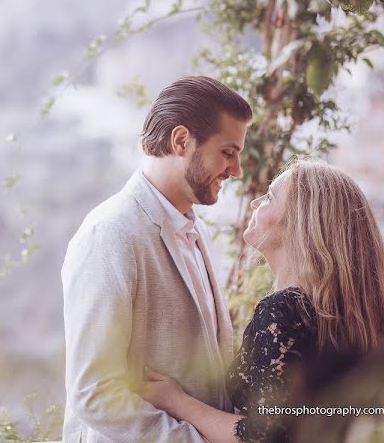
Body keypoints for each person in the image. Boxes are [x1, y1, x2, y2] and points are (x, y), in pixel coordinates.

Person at [140, 158, 384, 443]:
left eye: (269, 197)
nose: (255, 203)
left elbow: (263, 435)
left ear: (302, 221)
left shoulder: (283, 312)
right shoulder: (346, 315)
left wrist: (177, 401)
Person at [62, 76, 252, 443]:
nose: (236, 170)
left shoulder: (198, 232)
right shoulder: (110, 233)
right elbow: (94, 394)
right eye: (228, 152)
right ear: (181, 141)